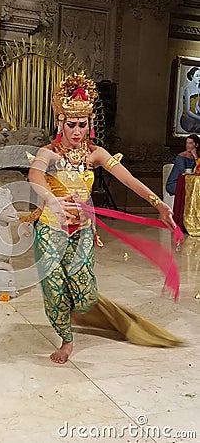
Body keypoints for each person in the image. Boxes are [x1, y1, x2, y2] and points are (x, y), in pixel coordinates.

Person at [27, 72, 181, 364]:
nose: (76, 131)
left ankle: (77, 309)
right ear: (60, 123)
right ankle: (67, 339)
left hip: (81, 231)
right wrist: (50, 199)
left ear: (90, 124)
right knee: (54, 288)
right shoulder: (48, 153)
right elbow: (35, 175)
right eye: (70, 124)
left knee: (84, 292)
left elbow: (128, 179)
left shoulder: (95, 154)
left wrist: (158, 203)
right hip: (50, 228)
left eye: (82, 124)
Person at [180, 66, 200, 133]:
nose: (199, 78)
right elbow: (188, 111)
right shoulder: (187, 90)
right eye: (197, 76)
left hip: (194, 116)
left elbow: (196, 106)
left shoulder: (198, 88)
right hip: (187, 119)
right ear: (192, 76)